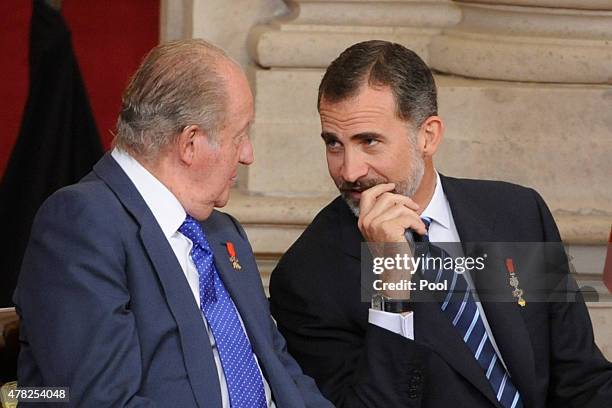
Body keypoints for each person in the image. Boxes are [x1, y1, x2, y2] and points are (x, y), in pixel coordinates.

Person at [270, 40, 612, 407]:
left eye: (369, 141)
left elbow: (581, 379)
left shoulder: (517, 213)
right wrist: (390, 279)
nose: (348, 170)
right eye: (334, 144)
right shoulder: (308, 277)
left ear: (428, 136)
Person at [14, 39, 332, 408]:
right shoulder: (82, 223)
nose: (248, 155)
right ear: (190, 143)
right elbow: (101, 401)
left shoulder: (222, 232)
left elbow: (281, 371)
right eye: (240, 135)